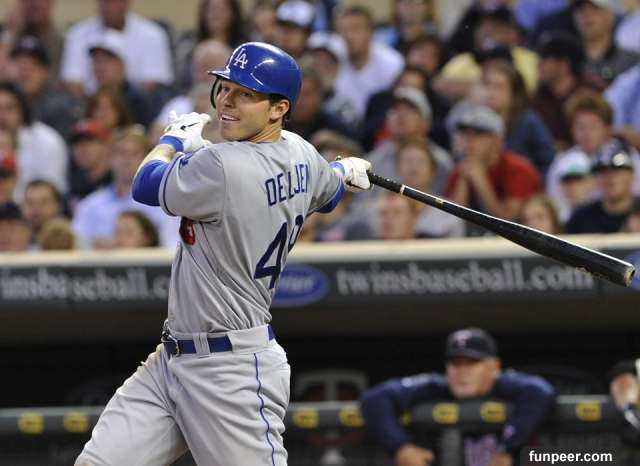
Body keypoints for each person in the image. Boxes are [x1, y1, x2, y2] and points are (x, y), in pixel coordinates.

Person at [75, 42, 373, 466]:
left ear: (279, 108)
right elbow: (327, 195)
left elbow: (145, 183)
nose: (227, 102)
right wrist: (343, 171)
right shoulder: (303, 154)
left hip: (231, 372)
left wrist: (172, 141)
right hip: (171, 361)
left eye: (246, 94)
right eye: (226, 87)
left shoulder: (221, 164)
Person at [361, 327, 555, 466]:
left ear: (493, 367)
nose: (462, 371)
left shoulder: (506, 385)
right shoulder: (436, 387)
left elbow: (540, 391)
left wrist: (506, 448)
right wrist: (401, 448)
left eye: (472, 363)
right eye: (456, 363)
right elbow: (375, 398)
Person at [72, 125, 179, 248]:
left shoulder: (163, 203)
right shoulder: (89, 205)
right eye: (121, 153)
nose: (127, 160)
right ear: (110, 158)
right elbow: (76, 248)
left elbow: (173, 247)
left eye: (134, 154)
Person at [446, 103, 541, 229]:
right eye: (464, 134)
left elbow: (510, 222)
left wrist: (481, 182)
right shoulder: (459, 172)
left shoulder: (517, 169)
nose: (468, 141)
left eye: (478, 135)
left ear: (497, 140)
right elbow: (450, 225)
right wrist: (463, 182)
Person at [60, 0, 174, 96]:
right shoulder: (77, 33)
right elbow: (72, 84)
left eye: (108, 59)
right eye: (97, 59)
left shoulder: (153, 35)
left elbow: (155, 86)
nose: (101, 66)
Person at [480, 59, 555, 175]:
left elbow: (548, 162)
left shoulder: (529, 122)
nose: (491, 93)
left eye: (498, 87)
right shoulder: (474, 120)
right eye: (487, 85)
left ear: (514, 94)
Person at [565, 138, 640, 234]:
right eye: (603, 172)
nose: (609, 177)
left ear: (631, 175)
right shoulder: (580, 219)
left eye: (616, 171)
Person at [21, 178, 63, 244]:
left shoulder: (71, 239)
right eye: (30, 203)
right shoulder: (12, 240)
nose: (36, 208)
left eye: (43, 202)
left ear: (56, 205)